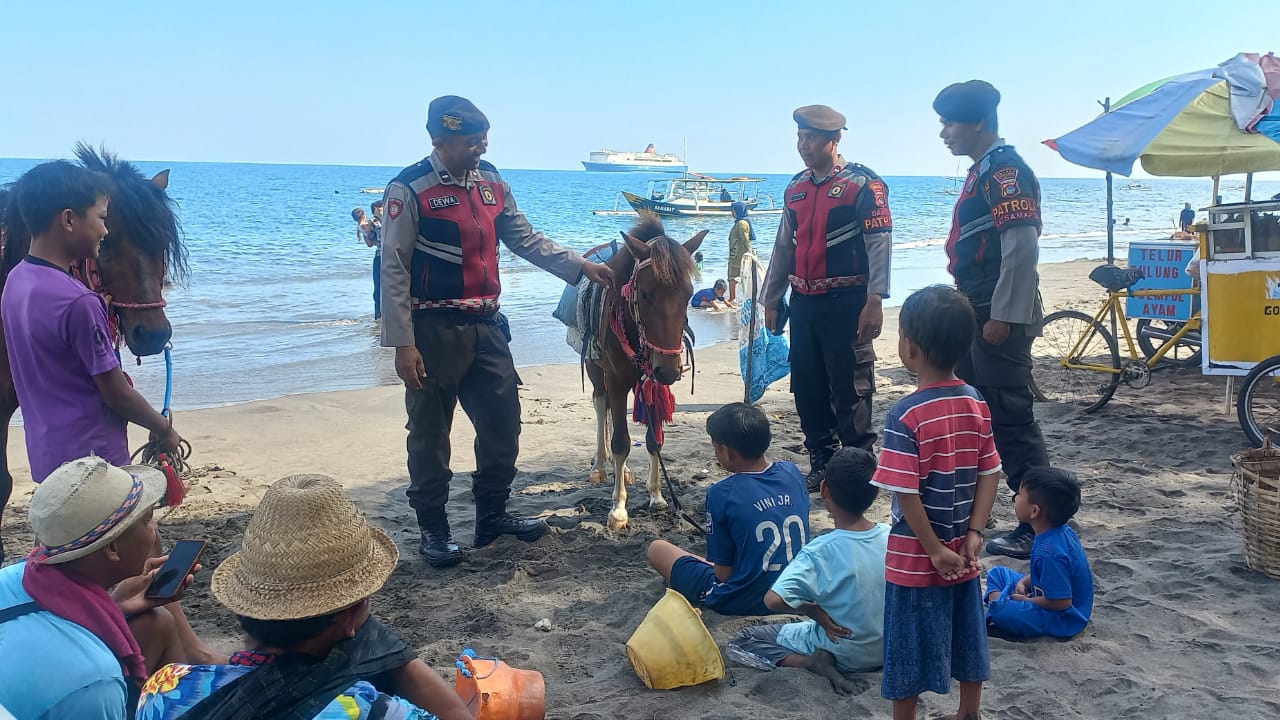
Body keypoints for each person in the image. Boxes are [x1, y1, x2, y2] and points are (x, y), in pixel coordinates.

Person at [381, 96, 614, 568]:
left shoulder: (492, 183)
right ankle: (435, 529)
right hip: (432, 329)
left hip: (488, 328)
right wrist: (402, 342)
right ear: (439, 140)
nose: (481, 147)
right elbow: (393, 268)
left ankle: (492, 517)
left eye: (483, 138)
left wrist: (583, 266)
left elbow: (526, 239)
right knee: (429, 434)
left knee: (503, 426)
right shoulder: (409, 189)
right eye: (470, 141)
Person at [136, 474, 473, 720]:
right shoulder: (370, 710)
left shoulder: (162, 690)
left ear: (245, 606)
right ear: (352, 615)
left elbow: (230, 669)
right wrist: (391, 654)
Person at [1, 161, 183, 487]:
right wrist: (162, 429)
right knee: (140, 536)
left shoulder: (15, 281)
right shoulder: (82, 304)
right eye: (102, 221)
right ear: (69, 220)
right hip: (96, 461)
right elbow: (117, 395)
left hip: (47, 460)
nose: (104, 231)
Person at [0, 457, 222, 719]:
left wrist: (116, 607)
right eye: (147, 520)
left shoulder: (15, 576)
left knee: (155, 622)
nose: (155, 527)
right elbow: (81, 679)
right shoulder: (94, 682)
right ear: (112, 548)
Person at [871, 285, 1002, 720]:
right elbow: (991, 472)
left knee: (906, 643)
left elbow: (905, 492)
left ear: (910, 347)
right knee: (967, 632)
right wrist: (974, 534)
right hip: (963, 551)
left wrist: (933, 550)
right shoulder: (974, 402)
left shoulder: (905, 415)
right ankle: (970, 712)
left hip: (916, 556)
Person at [935, 80, 1049, 559]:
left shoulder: (1003, 171)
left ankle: (1039, 524)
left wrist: (1001, 316)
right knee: (984, 414)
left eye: (950, 122)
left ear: (977, 122)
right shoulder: (982, 171)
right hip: (977, 307)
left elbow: (1021, 248)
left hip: (996, 312)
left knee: (1010, 416)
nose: (944, 133)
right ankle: (1021, 515)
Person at [761, 105, 893, 493]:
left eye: (812, 139)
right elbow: (783, 247)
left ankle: (858, 464)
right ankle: (821, 459)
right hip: (803, 302)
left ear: (835, 140)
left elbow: (879, 245)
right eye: (800, 138)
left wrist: (876, 299)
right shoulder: (796, 187)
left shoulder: (864, 185)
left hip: (848, 301)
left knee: (850, 385)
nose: (804, 146)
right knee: (807, 384)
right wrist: (772, 299)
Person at [726, 447, 888, 695]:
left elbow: (772, 600)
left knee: (746, 638)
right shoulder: (892, 536)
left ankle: (811, 662)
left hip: (842, 651)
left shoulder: (819, 551)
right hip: (885, 649)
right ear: (876, 492)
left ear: (824, 490)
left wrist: (812, 610)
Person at [646, 403, 810, 616]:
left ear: (726, 451)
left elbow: (724, 575)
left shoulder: (722, 493)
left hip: (745, 599)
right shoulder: (791, 472)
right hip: (797, 593)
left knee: (657, 549)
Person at [985, 467, 1094, 639]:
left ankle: (1000, 607)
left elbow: (1061, 602)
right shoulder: (1060, 531)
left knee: (1002, 612)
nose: (1015, 498)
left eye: (1020, 494)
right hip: (1043, 594)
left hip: (1062, 618)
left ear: (1034, 511)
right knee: (997, 573)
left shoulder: (1050, 551)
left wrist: (1026, 601)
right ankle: (1002, 603)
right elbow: (1049, 573)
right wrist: (1024, 582)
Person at [727, 201, 754, 305]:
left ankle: (733, 298)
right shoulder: (741, 222)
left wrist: (749, 252)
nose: (732, 213)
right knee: (736, 276)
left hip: (737, 253)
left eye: (733, 211)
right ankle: (734, 297)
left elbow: (745, 239)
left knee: (732, 275)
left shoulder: (741, 223)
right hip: (736, 252)